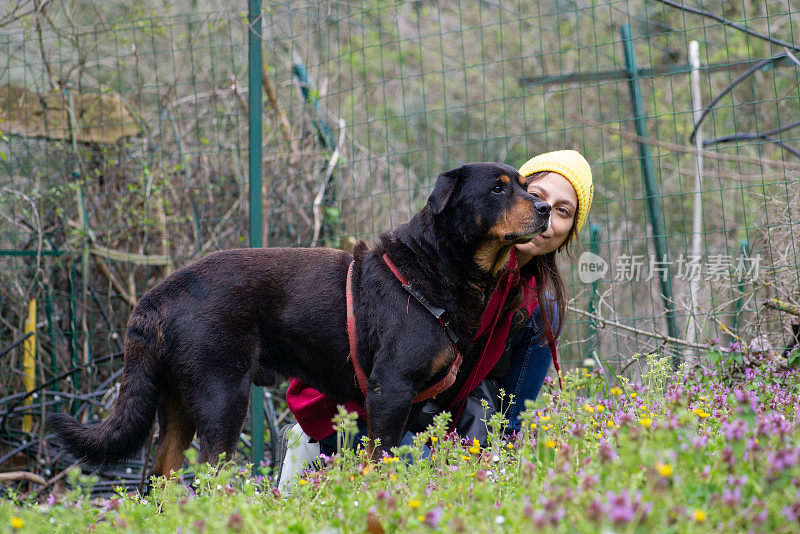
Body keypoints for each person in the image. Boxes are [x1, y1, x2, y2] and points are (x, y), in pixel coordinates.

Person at [276, 150, 593, 489]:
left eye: (563, 211)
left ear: (571, 231)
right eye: (535, 195)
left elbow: (508, 402)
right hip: (362, 407)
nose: (543, 209)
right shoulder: (449, 272)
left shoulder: (535, 298)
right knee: (426, 480)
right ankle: (314, 446)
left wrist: (490, 456)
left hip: (433, 415)